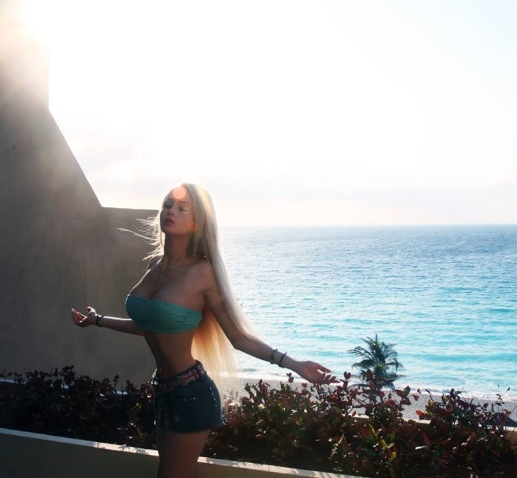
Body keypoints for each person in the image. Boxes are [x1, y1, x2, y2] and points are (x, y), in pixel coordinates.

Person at [71, 183, 335, 478]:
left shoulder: (204, 273)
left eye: (182, 208)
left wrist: (295, 364)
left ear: (197, 222)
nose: (170, 211)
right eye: (167, 204)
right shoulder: (155, 264)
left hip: (192, 393)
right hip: (163, 390)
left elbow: (238, 337)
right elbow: (150, 328)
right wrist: (97, 320)